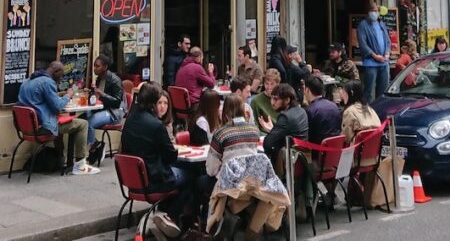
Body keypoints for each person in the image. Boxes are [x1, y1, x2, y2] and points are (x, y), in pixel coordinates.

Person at [206, 94, 289, 241]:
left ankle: (208, 227)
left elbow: (211, 169)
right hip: (254, 186)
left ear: (224, 111)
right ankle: (248, 230)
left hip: (232, 188)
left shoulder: (220, 133)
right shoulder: (254, 130)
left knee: (201, 182)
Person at [121, 81, 192, 240]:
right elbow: (170, 157)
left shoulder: (131, 119)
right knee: (191, 176)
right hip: (153, 179)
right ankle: (167, 215)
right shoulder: (155, 125)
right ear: (153, 101)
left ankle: (159, 214)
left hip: (133, 180)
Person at [18, 61, 100, 175]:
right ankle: (80, 165)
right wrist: (68, 95)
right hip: (42, 127)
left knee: (58, 121)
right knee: (83, 124)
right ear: (56, 72)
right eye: (61, 75)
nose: (61, 78)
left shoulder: (27, 81)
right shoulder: (47, 83)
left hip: (27, 128)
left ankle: (60, 159)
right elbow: (58, 106)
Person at [84, 54, 125, 164]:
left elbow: (117, 102)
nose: (94, 68)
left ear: (105, 67)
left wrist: (101, 95)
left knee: (89, 123)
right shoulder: (99, 79)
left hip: (114, 112)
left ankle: (93, 149)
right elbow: (98, 97)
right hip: (102, 108)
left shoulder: (115, 80)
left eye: (97, 66)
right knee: (83, 118)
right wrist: (91, 93)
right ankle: (96, 144)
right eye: (94, 66)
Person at [258, 83, 309, 162]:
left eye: (276, 99)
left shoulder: (285, 117)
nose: (272, 102)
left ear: (287, 100)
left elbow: (268, 144)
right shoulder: (301, 111)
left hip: (291, 162)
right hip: (303, 159)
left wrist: (271, 133)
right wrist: (272, 130)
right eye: (271, 98)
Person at [357, 3, 391, 102]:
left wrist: (387, 53)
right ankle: (368, 112)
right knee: (369, 91)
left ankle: (379, 112)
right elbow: (363, 44)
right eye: (372, 11)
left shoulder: (382, 24)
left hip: (384, 62)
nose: (374, 13)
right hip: (371, 63)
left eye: (376, 11)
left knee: (383, 90)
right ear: (368, 12)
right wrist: (374, 56)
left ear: (379, 13)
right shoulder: (363, 25)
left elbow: (387, 41)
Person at [340, 80, 381, 145]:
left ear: (351, 93)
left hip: (356, 150)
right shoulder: (370, 109)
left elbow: (346, 138)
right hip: (373, 148)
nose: (342, 95)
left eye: (344, 92)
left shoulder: (349, 111)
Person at [304, 76, 341, 145]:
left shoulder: (309, 111)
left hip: (318, 151)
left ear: (307, 90)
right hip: (336, 149)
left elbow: (308, 136)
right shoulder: (334, 106)